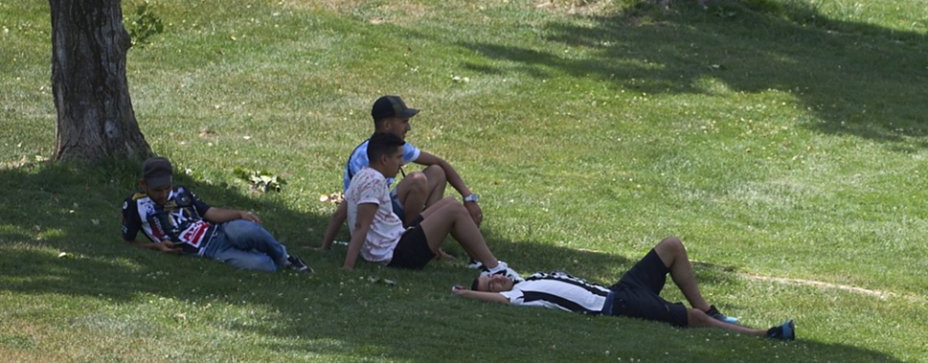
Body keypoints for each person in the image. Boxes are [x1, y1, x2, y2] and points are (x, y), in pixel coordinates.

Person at [451, 236, 795, 341]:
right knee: (687, 319)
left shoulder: (525, 278)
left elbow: (497, 271)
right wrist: (468, 293)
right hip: (617, 306)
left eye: (491, 277)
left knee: (671, 246)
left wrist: (487, 271)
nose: (495, 281)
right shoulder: (520, 296)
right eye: (490, 284)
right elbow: (499, 299)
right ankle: (763, 334)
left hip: (618, 289)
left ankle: (709, 309)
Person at [341, 131, 521, 282]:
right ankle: (494, 267)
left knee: (450, 202)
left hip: (397, 241)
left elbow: (341, 212)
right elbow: (361, 225)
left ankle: (478, 261)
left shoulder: (363, 175)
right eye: (398, 158)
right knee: (454, 210)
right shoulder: (375, 181)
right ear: (383, 160)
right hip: (396, 255)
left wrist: (324, 246)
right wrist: (348, 266)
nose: (401, 163)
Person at [321, 95, 483, 254]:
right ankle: (413, 240)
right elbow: (347, 208)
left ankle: (430, 240)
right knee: (417, 181)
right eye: (404, 122)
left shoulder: (395, 148)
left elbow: (440, 163)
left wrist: (468, 197)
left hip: (384, 214)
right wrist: (330, 250)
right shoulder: (367, 157)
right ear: (387, 125)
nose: (408, 128)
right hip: (371, 223)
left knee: (437, 172)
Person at [121, 156, 311, 273]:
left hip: (218, 231)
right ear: (143, 185)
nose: (163, 194)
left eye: (166, 188)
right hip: (209, 250)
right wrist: (157, 246)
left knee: (244, 229)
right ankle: (268, 256)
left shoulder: (181, 192)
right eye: (157, 190)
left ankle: (285, 258)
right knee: (264, 266)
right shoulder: (134, 205)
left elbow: (209, 212)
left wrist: (239, 213)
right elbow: (128, 241)